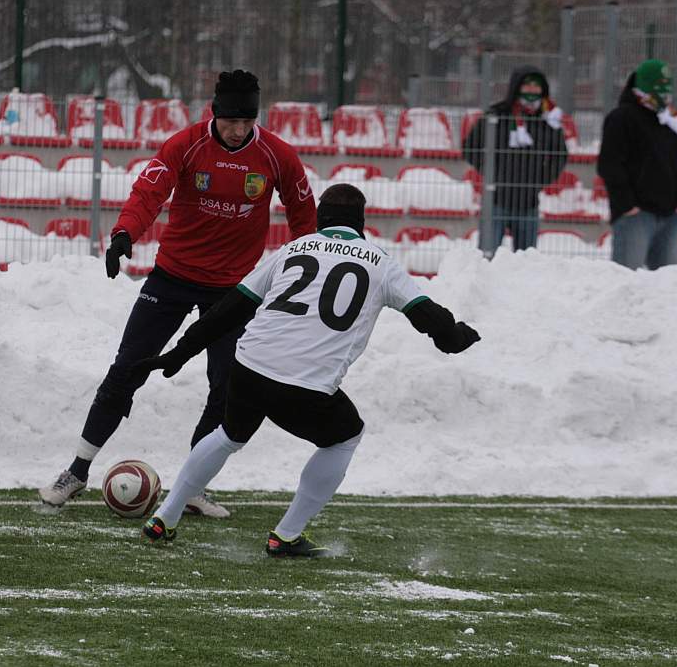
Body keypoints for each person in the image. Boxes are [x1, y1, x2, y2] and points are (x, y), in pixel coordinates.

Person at [132, 183, 480, 556]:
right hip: (306, 383)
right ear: (361, 223)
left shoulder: (291, 249)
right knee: (345, 435)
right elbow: (427, 315)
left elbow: (231, 307)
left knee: (230, 434)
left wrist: (180, 351)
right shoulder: (380, 262)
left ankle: (164, 517)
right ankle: (286, 535)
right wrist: (456, 337)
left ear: (320, 219)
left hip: (249, 365)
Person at [38, 70, 317, 516]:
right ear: (215, 112)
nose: (240, 130)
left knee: (227, 388)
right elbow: (149, 192)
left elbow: (304, 214)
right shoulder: (184, 145)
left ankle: (192, 486)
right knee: (127, 370)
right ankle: (75, 472)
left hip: (235, 289)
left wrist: (310, 266)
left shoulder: (277, 155)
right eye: (232, 121)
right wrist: (125, 233)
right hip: (172, 278)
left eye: (248, 121)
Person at [598, 58, 677, 270]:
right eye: (659, 84)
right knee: (626, 277)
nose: (664, 90)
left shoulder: (671, 121)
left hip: (669, 215)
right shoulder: (622, 117)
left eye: (668, 84)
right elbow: (609, 164)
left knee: (668, 286)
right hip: (637, 215)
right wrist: (626, 205)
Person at [466, 65, 568, 253]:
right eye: (526, 85)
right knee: (487, 257)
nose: (531, 90)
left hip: (528, 202)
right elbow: (470, 146)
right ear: (516, 86)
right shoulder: (496, 114)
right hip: (496, 199)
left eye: (536, 86)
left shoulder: (549, 119)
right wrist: (489, 172)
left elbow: (560, 154)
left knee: (526, 263)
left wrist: (541, 180)